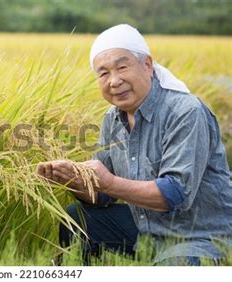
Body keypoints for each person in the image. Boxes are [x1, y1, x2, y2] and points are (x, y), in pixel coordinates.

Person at [37, 24, 232, 266]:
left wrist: (107, 181)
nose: (114, 81)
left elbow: (174, 194)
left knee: (176, 264)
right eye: (103, 73)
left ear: (147, 65)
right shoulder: (113, 118)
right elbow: (103, 194)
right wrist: (74, 180)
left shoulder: (186, 112)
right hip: (148, 228)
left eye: (122, 67)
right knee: (78, 219)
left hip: (200, 236)